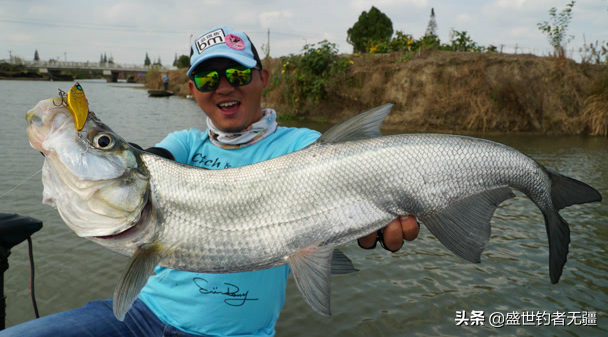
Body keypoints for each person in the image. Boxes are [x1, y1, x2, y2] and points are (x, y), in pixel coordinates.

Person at [1, 26, 419, 337]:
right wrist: (74, 149)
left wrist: (379, 208)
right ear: (192, 89)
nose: (223, 87)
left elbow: (351, 172)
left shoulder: (304, 147)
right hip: (140, 317)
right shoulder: (183, 143)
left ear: (263, 78)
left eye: (236, 74)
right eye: (207, 78)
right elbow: (147, 164)